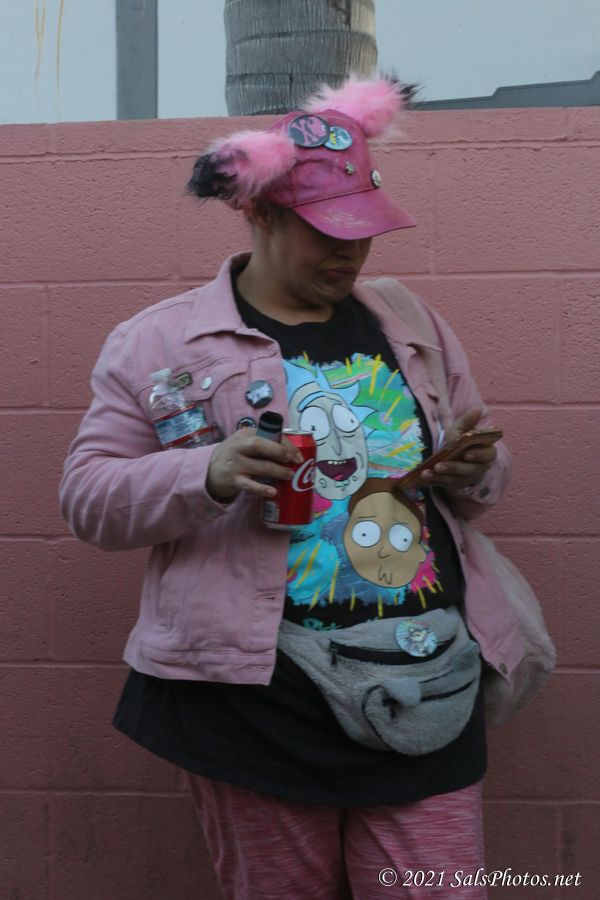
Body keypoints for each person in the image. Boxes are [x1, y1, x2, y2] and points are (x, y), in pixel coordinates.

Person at [59, 76, 511, 899]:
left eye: (363, 232)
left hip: (424, 678)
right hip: (258, 704)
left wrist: (475, 469)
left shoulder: (410, 325)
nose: (350, 253)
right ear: (260, 213)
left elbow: (485, 476)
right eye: (325, 232)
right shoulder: (160, 341)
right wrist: (206, 472)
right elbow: (89, 499)